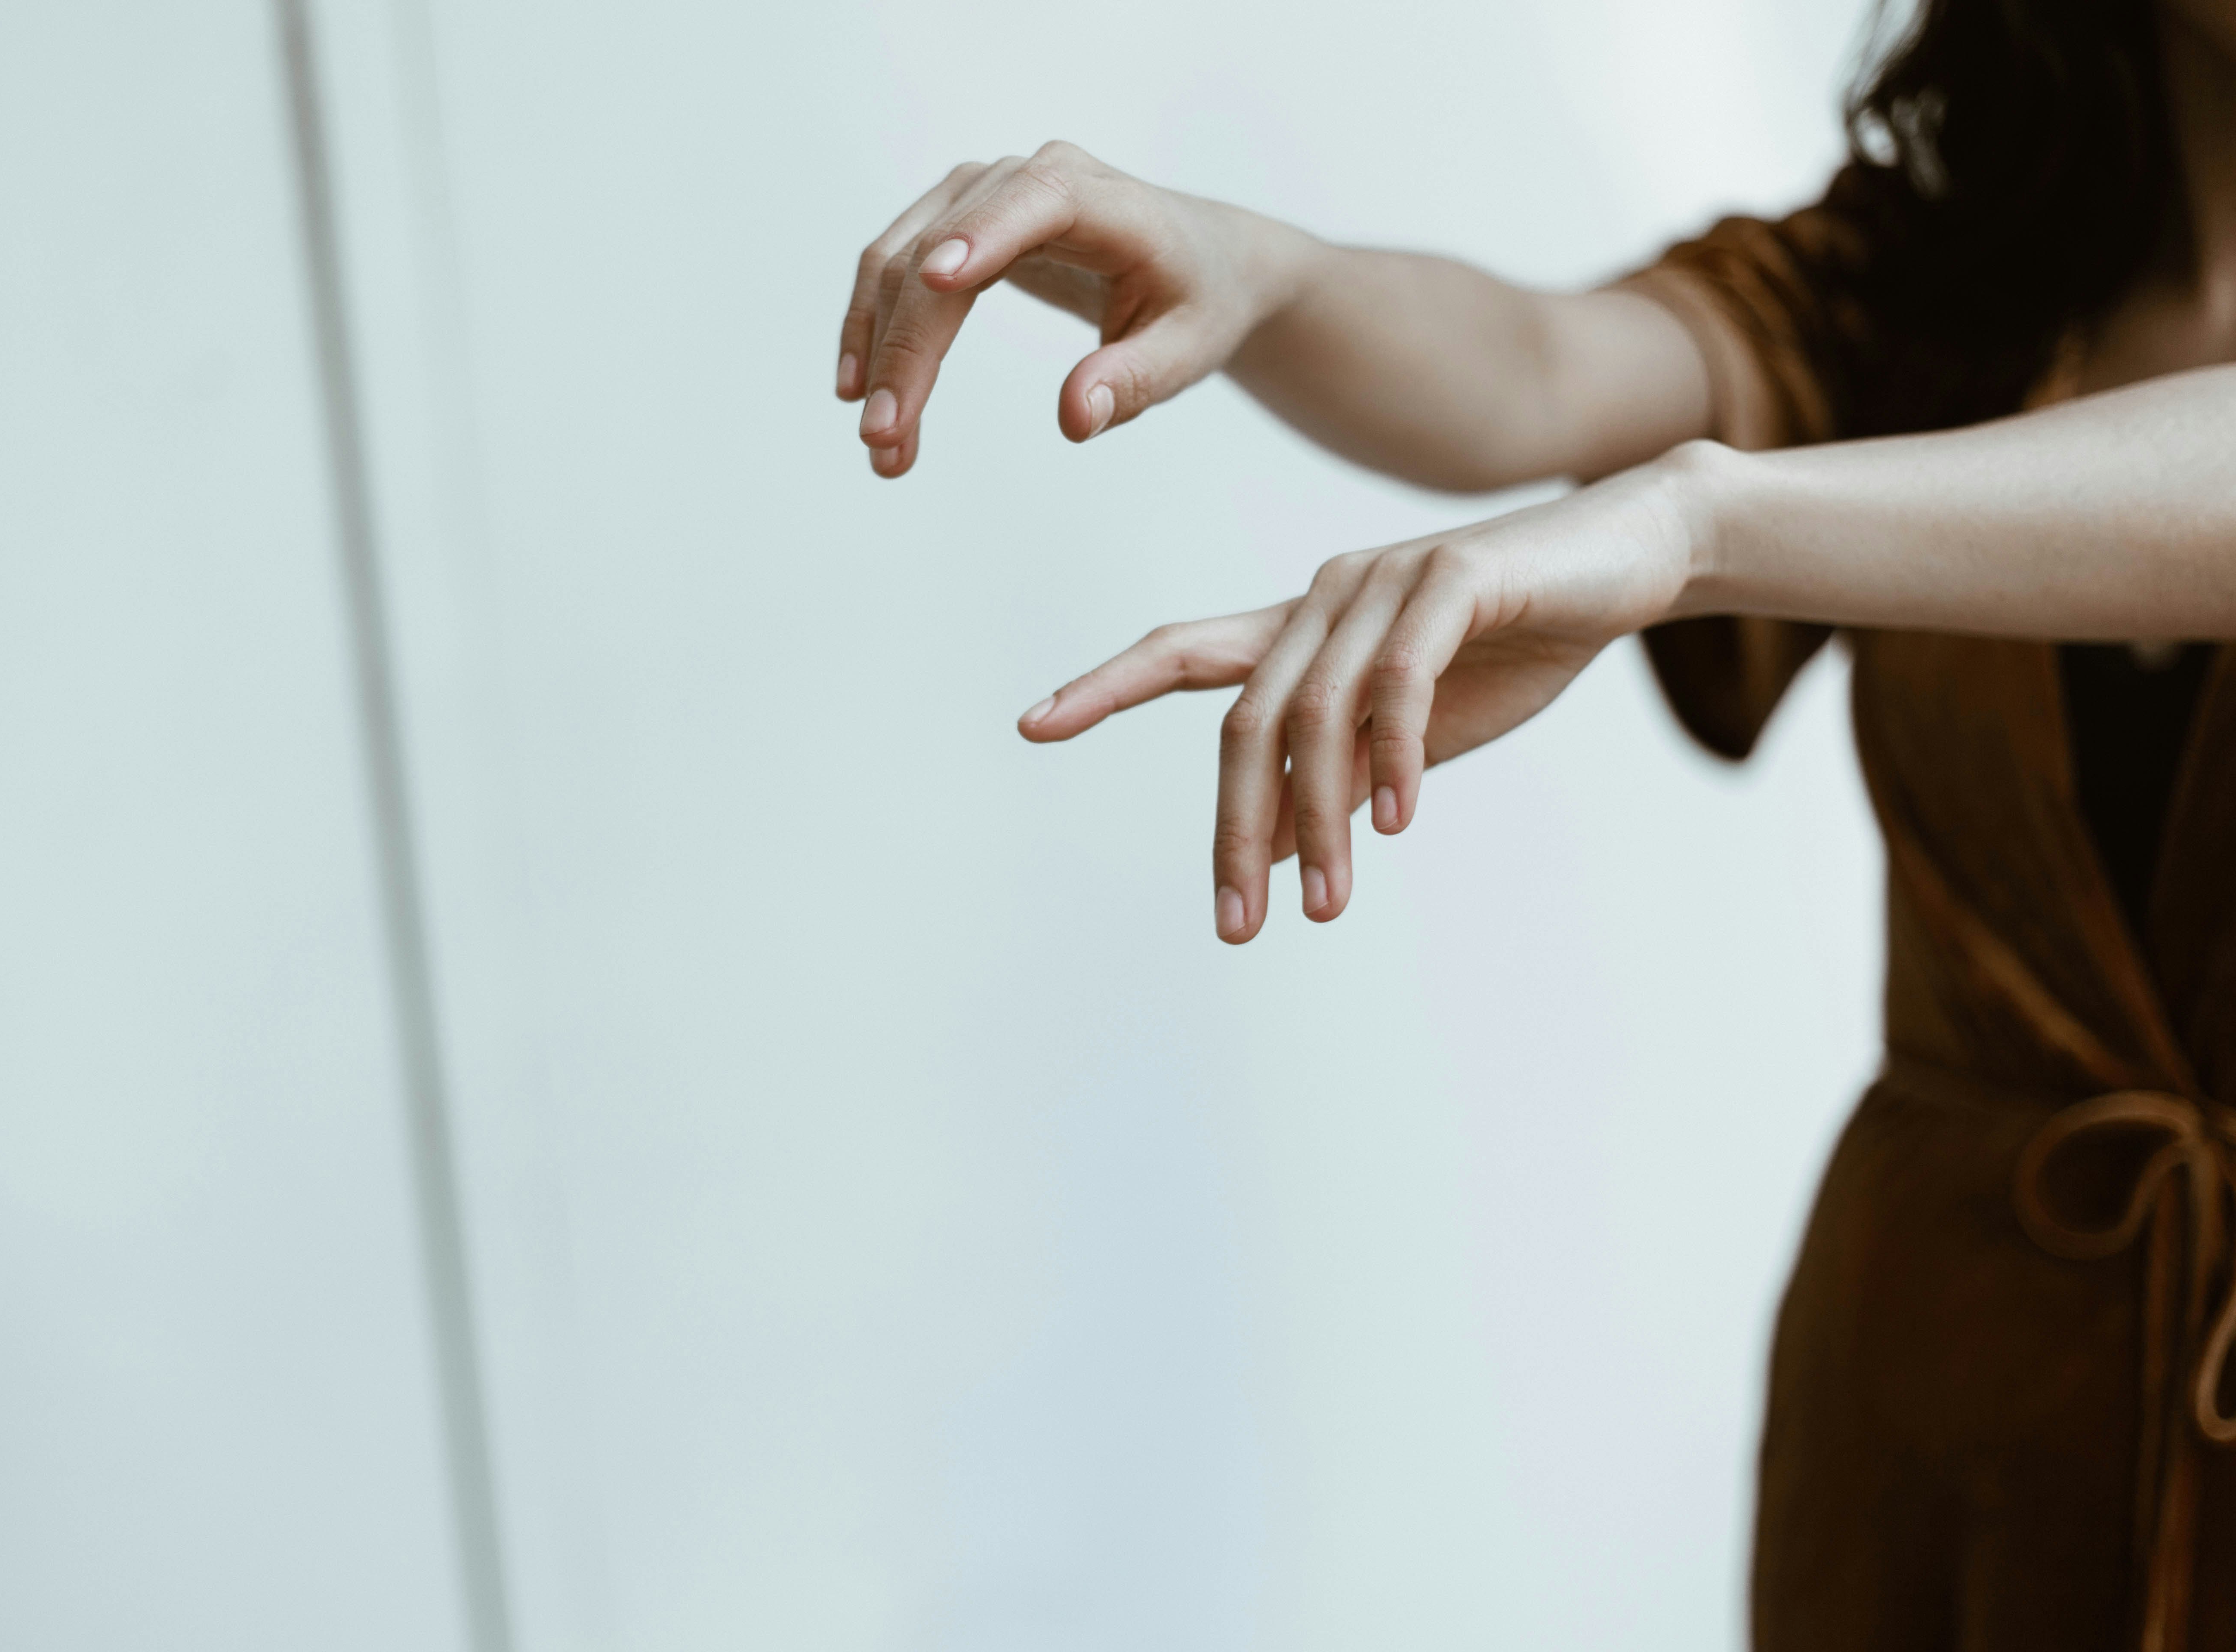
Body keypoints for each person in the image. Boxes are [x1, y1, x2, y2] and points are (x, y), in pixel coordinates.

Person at [836, 0, 2236, 1646]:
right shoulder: (1979, 267)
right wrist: (1266, 274)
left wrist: (1700, 520)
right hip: (1946, 1406)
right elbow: (1544, 369)